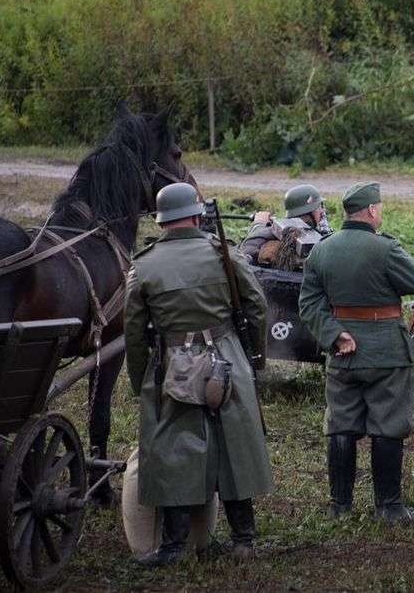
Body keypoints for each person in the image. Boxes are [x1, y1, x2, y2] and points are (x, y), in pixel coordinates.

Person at [124, 182, 274, 566]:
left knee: (171, 449)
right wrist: (253, 358)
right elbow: (257, 304)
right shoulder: (223, 253)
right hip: (226, 354)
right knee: (234, 443)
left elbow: (134, 332)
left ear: (162, 221)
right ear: (195, 215)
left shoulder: (143, 266)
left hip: (172, 362)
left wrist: (142, 381)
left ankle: (174, 546)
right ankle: (244, 539)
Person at [299, 181, 414, 522]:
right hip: (386, 352)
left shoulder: (323, 250)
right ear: (373, 210)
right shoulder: (385, 249)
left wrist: (334, 334)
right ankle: (388, 507)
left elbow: (308, 304)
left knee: (341, 425)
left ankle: (340, 507)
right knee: (388, 425)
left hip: (342, 352)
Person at [240, 184, 331, 266]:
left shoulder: (274, 232)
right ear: (311, 210)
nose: (321, 211)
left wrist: (258, 223)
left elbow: (247, 248)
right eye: (318, 207)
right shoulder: (323, 239)